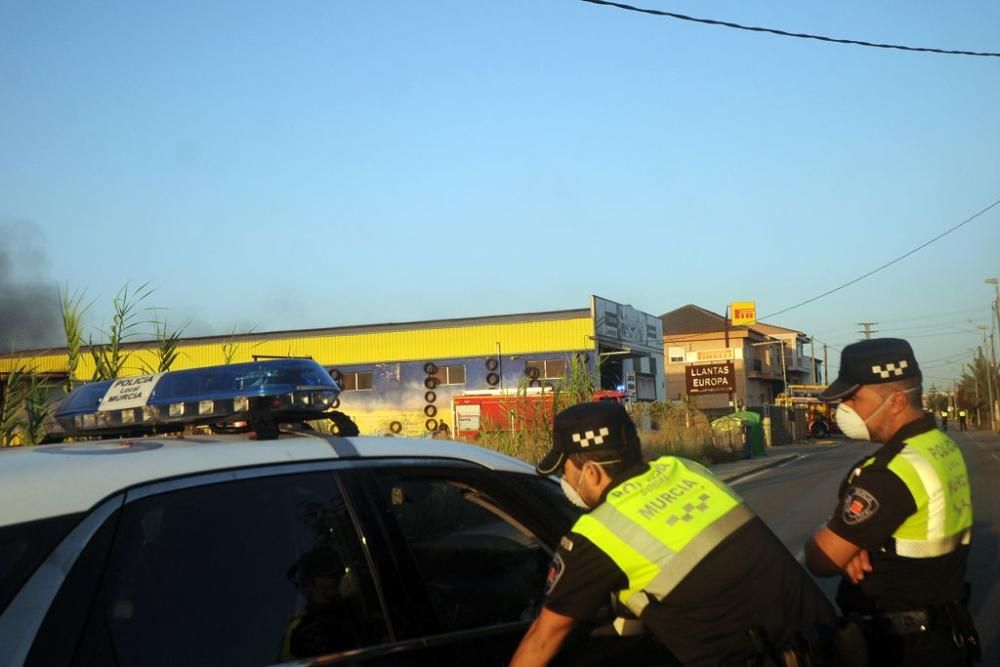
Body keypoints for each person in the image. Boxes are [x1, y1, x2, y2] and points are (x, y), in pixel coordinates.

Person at [511, 401, 839, 667]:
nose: (565, 483)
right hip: (833, 640)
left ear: (592, 472)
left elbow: (543, 640)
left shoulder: (597, 533)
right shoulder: (688, 470)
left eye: (565, 471)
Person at [804, 338, 979, 665]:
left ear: (896, 401)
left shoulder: (890, 473)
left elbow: (822, 559)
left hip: (901, 647)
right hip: (945, 632)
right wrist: (854, 539)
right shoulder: (939, 445)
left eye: (854, 399)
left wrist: (839, 537)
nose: (845, 409)